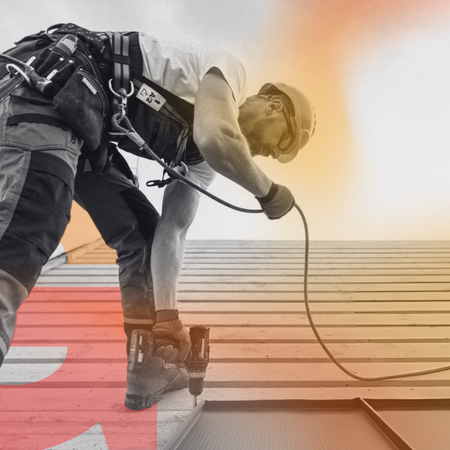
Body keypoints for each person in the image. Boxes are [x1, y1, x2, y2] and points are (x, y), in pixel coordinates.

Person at [0, 23, 316, 410]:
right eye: (282, 142)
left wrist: (168, 316)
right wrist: (267, 191)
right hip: (45, 89)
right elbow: (218, 137)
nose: (269, 153)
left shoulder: (201, 163)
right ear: (274, 106)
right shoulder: (227, 71)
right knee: (26, 235)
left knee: (141, 235)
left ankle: (146, 362)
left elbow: (173, 231)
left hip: (80, 123)